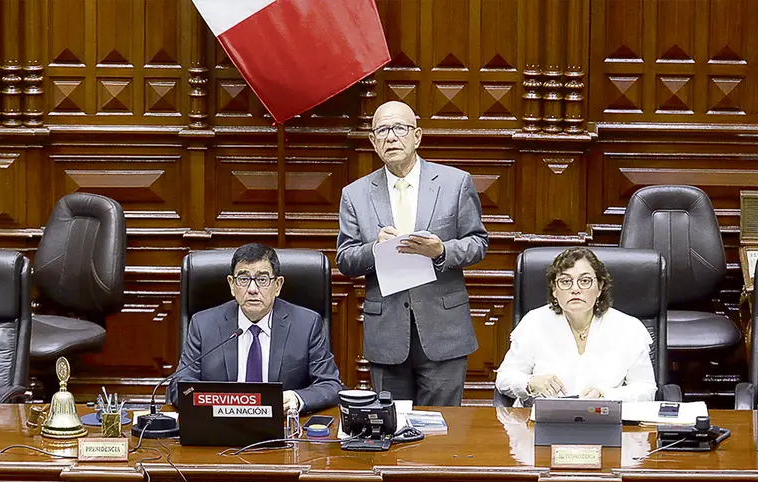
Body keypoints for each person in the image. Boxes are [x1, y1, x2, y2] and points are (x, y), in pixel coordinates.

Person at [336, 100, 488, 406]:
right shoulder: (354, 194)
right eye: (382, 131)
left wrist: (441, 249)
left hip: (444, 331)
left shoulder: (454, 183)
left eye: (399, 129)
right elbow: (345, 259)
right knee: (391, 433)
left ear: (417, 136)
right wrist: (375, 250)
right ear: (373, 141)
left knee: (442, 436)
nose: (391, 137)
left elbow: (478, 242)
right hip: (387, 333)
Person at [167, 243, 342, 414]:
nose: (252, 289)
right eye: (243, 279)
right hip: (221, 428)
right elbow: (180, 386)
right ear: (232, 285)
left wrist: (296, 398)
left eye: (262, 279)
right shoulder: (203, 325)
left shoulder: (307, 324)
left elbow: (330, 385)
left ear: (278, 285)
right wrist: (213, 402)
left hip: (282, 430)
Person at [495, 247, 656, 405]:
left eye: (585, 281)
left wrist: (605, 395)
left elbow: (646, 389)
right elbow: (504, 378)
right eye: (565, 281)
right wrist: (530, 383)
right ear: (554, 290)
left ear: (600, 287)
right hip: (542, 424)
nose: (575, 289)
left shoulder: (629, 328)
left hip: (602, 422)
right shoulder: (534, 322)